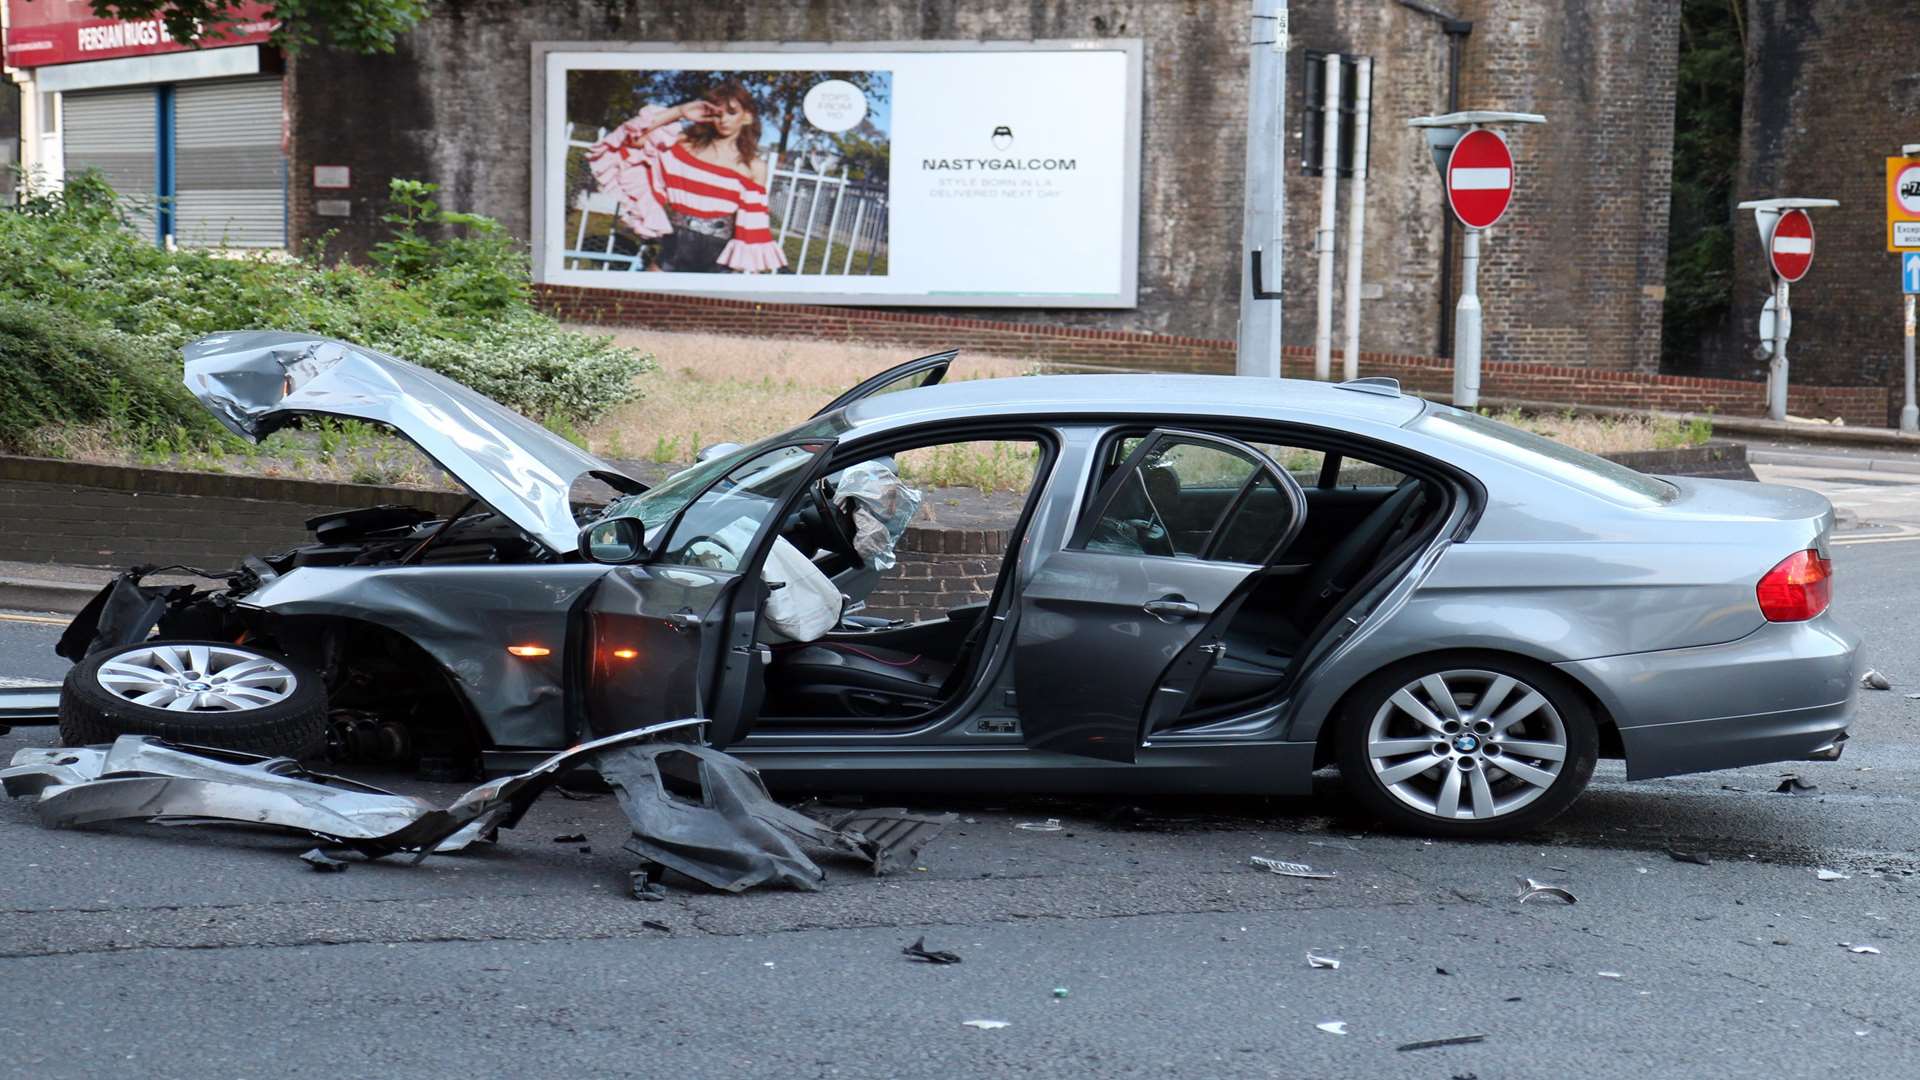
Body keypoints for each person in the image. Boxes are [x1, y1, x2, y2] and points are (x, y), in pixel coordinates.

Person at [585, 82, 788, 273]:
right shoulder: (683, 145)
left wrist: (739, 263)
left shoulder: (754, 166)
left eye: (732, 112)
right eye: (717, 113)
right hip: (675, 245)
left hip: (720, 255)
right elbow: (634, 138)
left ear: (747, 117)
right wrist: (680, 111)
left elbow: (752, 221)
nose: (723, 119)